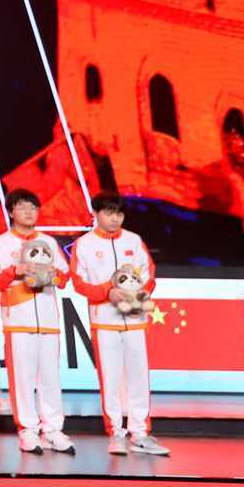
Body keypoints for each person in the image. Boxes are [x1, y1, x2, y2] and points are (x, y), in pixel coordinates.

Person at [70, 193, 167, 455]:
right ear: (95, 213)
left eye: (119, 214)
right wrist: (107, 292)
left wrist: (137, 295)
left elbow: (149, 274)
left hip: (135, 320)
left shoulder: (133, 240)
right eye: (109, 213)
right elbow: (79, 283)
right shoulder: (84, 245)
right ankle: (115, 433)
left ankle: (140, 433)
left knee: (139, 377)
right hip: (104, 321)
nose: (115, 219)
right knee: (110, 379)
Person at [0, 188, 74, 455]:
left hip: (48, 319)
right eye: (22, 207)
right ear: (11, 212)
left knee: (50, 378)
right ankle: (27, 430)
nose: (28, 212)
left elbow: (65, 275)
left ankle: (53, 429)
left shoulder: (48, 242)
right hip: (17, 320)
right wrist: (17, 270)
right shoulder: (1, 243)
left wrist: (51, 274)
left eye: (33, 208)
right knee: (22, 378)